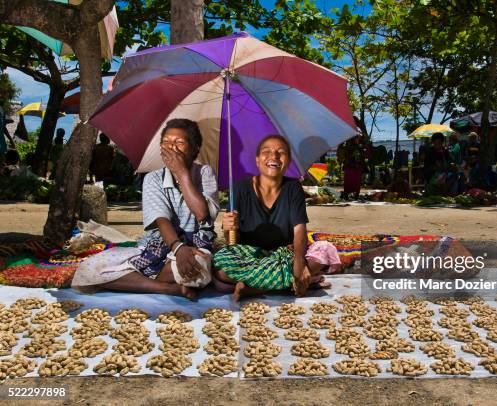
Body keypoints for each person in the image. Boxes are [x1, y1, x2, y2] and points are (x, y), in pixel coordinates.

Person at [71, 118, 220, 299]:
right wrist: (178, 248)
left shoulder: (205, 173)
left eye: (179, 143)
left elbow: (202, 214)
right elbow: (161, 220)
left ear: (195, 149)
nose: (171, 147)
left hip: (196, 244)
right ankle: (166, 288)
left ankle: (155, 278)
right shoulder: (153, 178)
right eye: (165, 142)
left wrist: (182, 173)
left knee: (196, 267)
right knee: (89, 269)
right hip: (160, 245)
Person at [212, 135, 330, 301]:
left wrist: (299, 264)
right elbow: (234, 243)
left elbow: (299, 230)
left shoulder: (293, 187)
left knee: (322, 253)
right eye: (266, 152)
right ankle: (281, 283)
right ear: (258, 160)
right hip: (250, 256)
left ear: (288, 162)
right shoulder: (239, 188)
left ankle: (254, 287)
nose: (274, 156)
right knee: (221, 270)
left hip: (283, 255)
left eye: (280, 153)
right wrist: (228, 228)